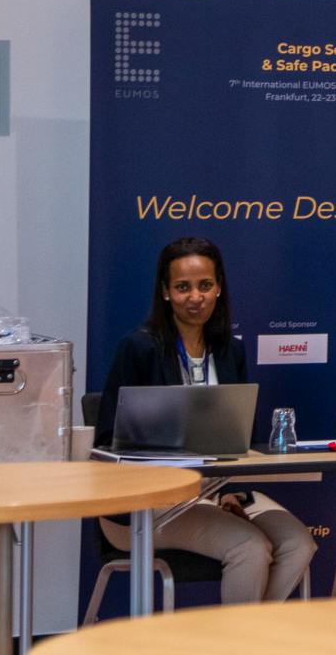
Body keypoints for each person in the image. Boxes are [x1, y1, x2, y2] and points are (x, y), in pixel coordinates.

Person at [98, 236, 316, 603]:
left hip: (220, 490)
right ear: (165, 292)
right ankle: (238, 640)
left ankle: (249, 633)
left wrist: (229, 490)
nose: (195, 297)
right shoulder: (139, 348)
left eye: (205, 285)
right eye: (183, 287)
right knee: (249, 547)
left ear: (218, 288)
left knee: (298, 543)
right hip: (147, 505)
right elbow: (108, 439)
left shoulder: (231, 350)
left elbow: (240, 438)